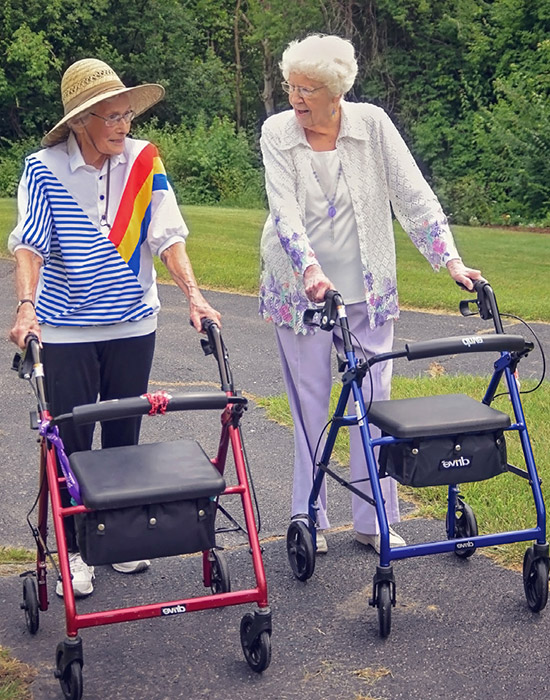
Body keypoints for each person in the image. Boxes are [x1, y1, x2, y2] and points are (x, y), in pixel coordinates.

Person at [259, 35, 482, 554]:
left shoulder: (372, 125)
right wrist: (311, 270)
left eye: (307, 90)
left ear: (336, 91)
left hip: (368, 288)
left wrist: (449, 259)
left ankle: (372, 517)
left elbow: (413, 195)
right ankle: (308, 516)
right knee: (313, 407)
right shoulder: (277, 132)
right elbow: (284, 211)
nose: (295, 99)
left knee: (373, 404)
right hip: (301, 292)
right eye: (291, 86)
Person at [8, 58, 221, 597]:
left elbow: (168, 236)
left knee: (125, 433)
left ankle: (121, 539)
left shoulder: (144, 161)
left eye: (127, 114)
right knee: (72, 441)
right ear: (81, 120)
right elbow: (29, 245)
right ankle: (75, 550)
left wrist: (194, 297)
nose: (124, 125)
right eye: (112, 116)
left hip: (133, 322)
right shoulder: (43, 168)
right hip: (65, 328)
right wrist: (25, 307)